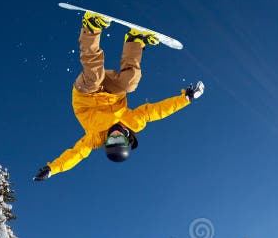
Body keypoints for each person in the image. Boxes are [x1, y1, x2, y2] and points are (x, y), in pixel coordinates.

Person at [33, 12, 204, 181]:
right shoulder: (133, 121)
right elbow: (158, 111)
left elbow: (75, 155)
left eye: (110, 141)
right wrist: (185, 99)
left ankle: (91, 27)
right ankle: (135, 41)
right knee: (130, 83)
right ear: (126, 139)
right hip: (111, 91)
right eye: (118, 139)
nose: (114, 135)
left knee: (94, 77)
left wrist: (52, 169)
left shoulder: (94, 138)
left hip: (86, 94)